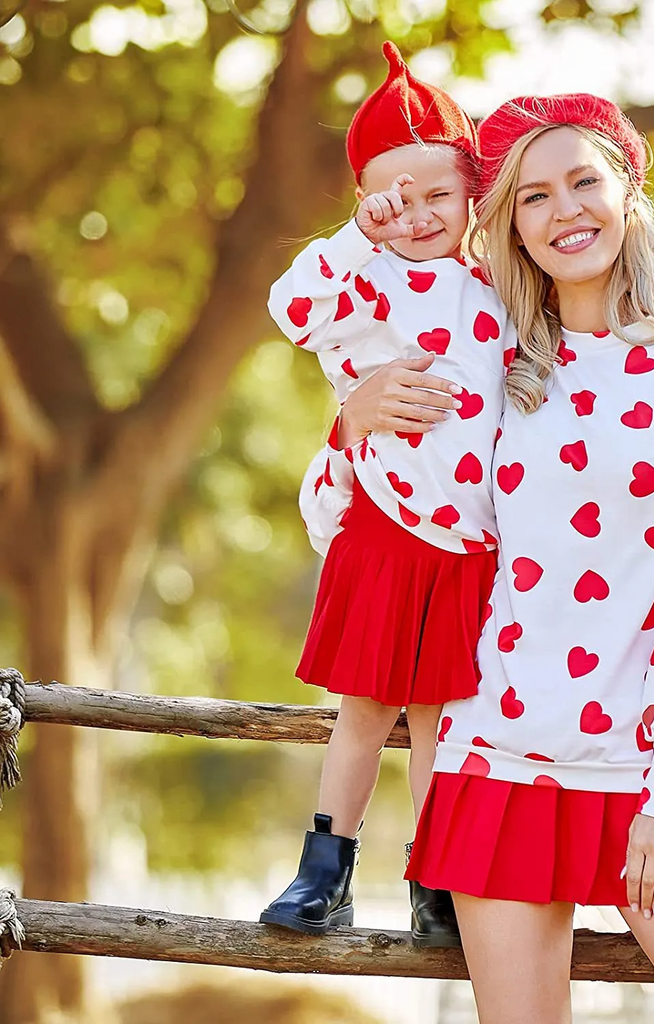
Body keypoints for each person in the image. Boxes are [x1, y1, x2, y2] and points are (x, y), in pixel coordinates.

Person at [305, 93, 654, 1023]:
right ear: (510, 228)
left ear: (628, 193)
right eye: (532, 197)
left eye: (583, 182)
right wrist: (350, 421)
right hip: (501, 758)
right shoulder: (492, 363)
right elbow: (382, 517)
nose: (564, 210)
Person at [260, 42, 510, 947]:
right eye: (393, 200)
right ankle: (324, 872)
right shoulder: (360, 276)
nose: (417, 216)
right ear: (367, 201)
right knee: (365, 712)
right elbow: (291, 310)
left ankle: (434, 881)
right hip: (386, 525)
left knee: (445, 718)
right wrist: (356, 237)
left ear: (475, 194)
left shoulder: (501, 285)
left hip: (470, 541)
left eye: (440, 194)